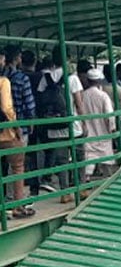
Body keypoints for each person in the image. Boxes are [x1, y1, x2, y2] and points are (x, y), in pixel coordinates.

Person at [36, 46, 85, 203]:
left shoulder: (46, 78)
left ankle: (65, 193)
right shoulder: (73, 78)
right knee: (79, 156)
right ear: (68, 58)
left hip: (54, 126)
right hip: (72, 124)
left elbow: (40, 100)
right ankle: (80, 188)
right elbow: (79, 103)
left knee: (62, 160)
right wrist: (84, 122)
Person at [0, 59, 35, 219]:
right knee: (17, 166)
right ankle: (18, 206)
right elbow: (6, 107)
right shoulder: (3, 81)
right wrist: (16, 127)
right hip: (5, 133)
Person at [81, 68, 116, 183]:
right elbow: (109, 114)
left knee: (89, 156)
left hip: (88, 132)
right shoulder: (103, 96)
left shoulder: (83, 95)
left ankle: (86, 179)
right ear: (100, 81)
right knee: (106, 157)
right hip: (103, 131)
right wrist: (112, 128)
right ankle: (107, 180)